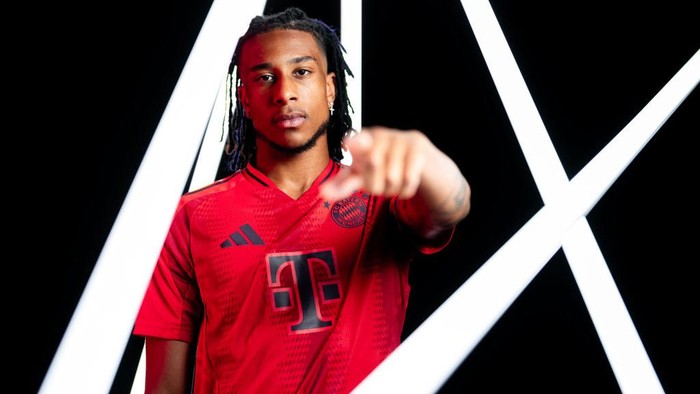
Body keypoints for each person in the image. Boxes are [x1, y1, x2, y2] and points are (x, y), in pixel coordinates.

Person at [133, 6, 471, 393]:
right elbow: (162, 384)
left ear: (330, 87)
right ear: (244, 97)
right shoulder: (191, 216)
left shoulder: (379, 199)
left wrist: (428, 161)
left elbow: (449, 208)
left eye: (301, 72)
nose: (284, 93)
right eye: (264, 77)